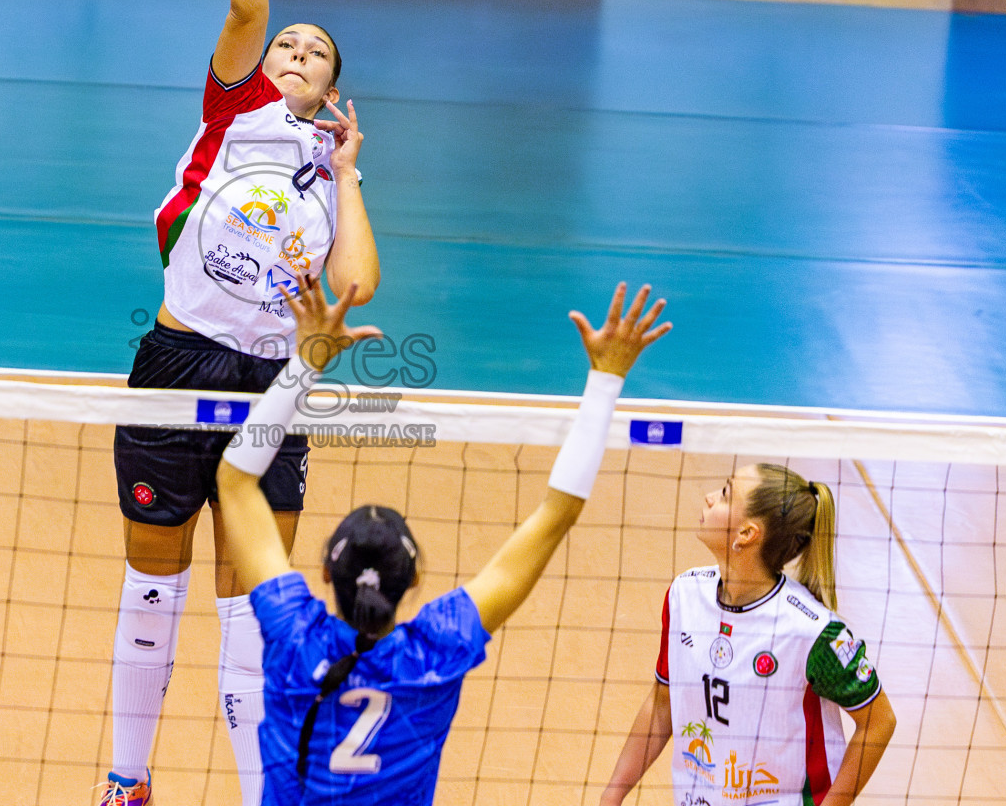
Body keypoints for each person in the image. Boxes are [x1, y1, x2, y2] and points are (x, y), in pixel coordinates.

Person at [98, 0, 380, 806]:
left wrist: (349, 175)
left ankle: (265, 793)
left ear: (332, 88)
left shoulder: (323, 168)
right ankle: (125, 780)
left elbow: (356, 289)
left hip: (270, 391)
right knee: (151, 590)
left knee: (251, 610)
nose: (294, 51)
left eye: (314, 53)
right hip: (179, 368)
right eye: (287, 44)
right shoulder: (236, 108)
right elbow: (245, 5)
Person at [216, 277, 670, 804]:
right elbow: (557, 513)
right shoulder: (435, 651)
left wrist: (308, 360)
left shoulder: (295, 637)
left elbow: (235, 481)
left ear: (323, 574)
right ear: (416, 581)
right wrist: (606, 380)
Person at [598, 464, 897, 806]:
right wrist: (614, 792)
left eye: (725, 494)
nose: (710, 499)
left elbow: (879, 722)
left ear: (746, 534)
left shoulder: (811, 632)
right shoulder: (684, 595)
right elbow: (663, 701)